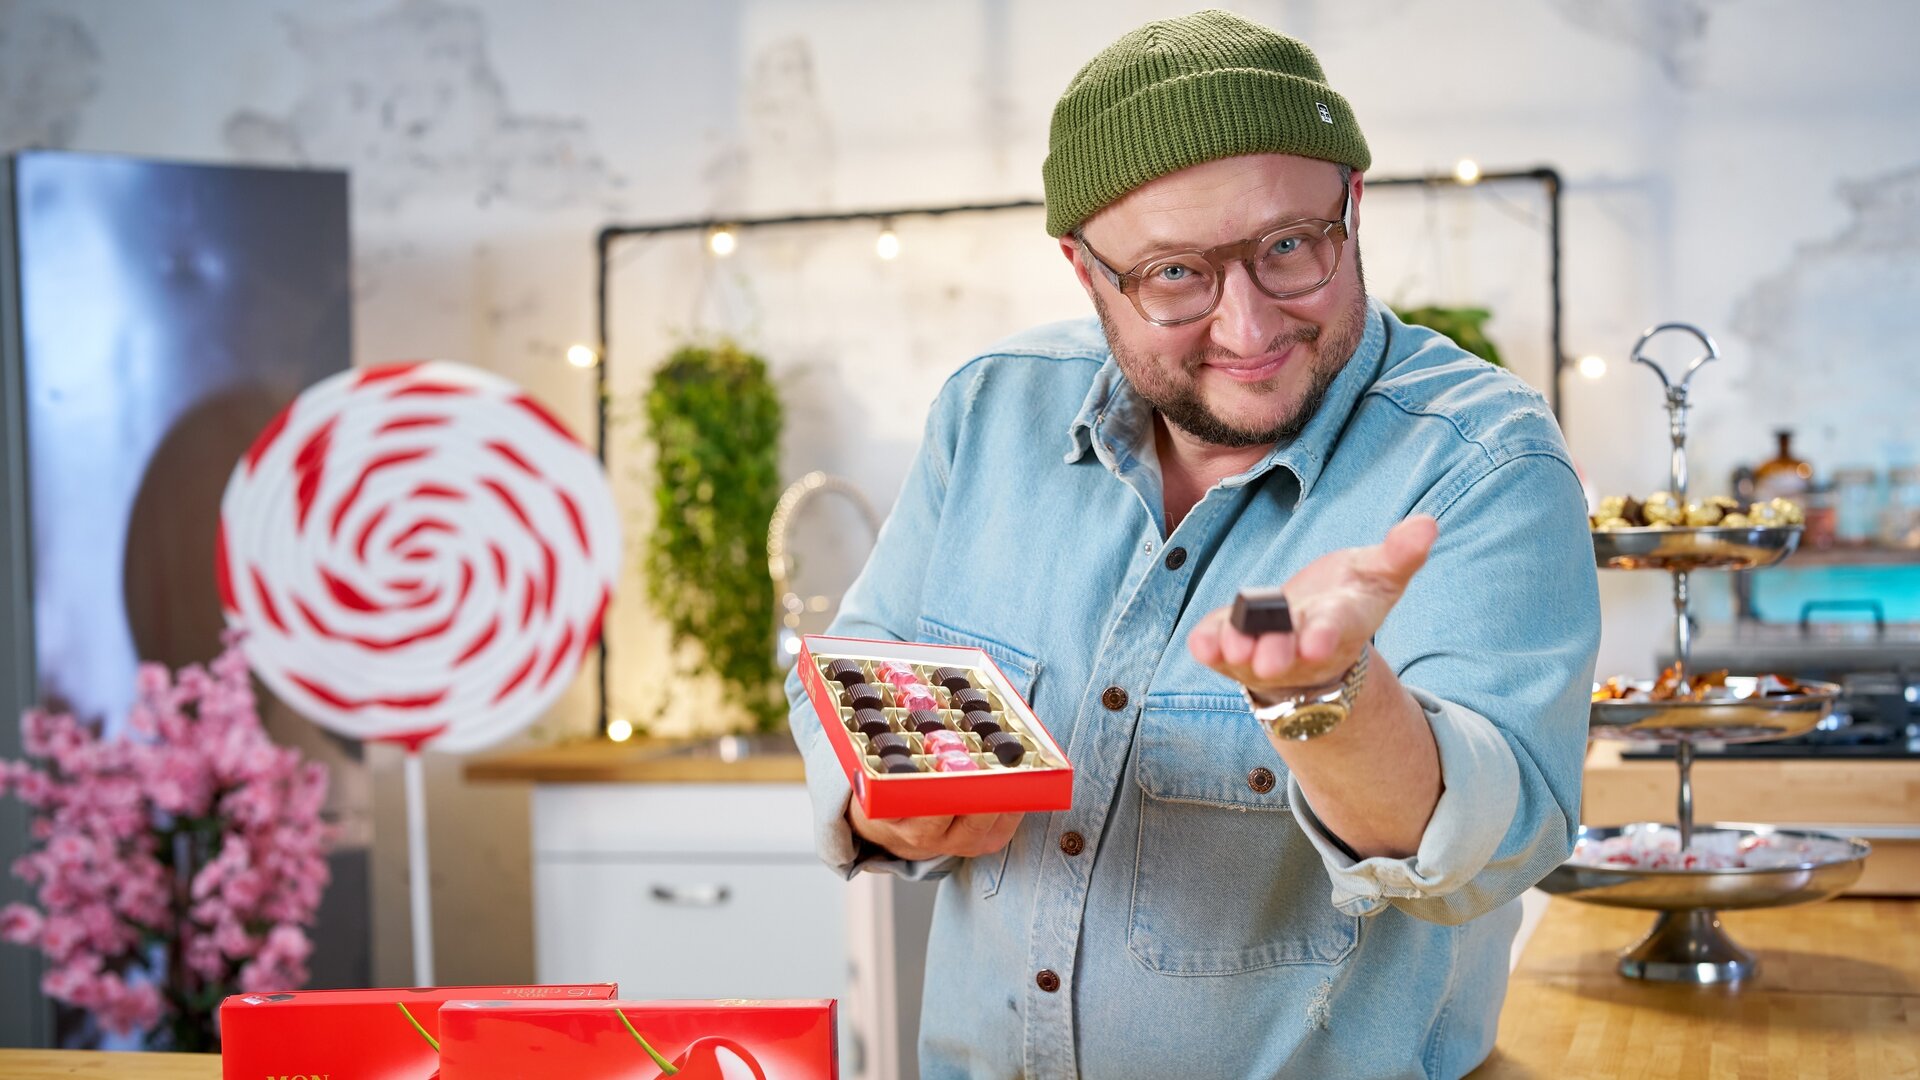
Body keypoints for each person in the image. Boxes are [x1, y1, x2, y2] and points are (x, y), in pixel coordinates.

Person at [786, 10, 1599, 1078]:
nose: (1251, 330)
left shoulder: (1484, 463)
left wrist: (1333, 699)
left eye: (1289, 248)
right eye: (1176, 275)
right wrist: (891, 805)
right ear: (1086, 273)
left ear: (1350, 208)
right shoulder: (990, 415)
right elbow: (855, 668)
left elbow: (1490, 844)